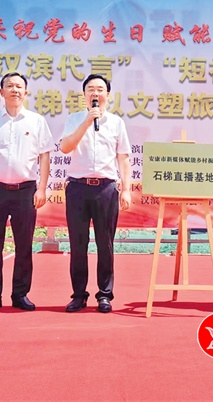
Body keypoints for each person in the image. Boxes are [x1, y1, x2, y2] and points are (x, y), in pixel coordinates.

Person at [0, 72, 53, 312]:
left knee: (24, 246)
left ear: (26, 92)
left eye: (19, 86)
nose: (15, 90)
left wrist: (42, 188)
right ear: (1, 92)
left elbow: (44, 156)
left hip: (25, 190)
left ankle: (20, 294)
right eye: (10, 86)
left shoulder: (37, 121)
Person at [60, 74, 131, 313]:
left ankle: (105, 295)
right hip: (78, 188)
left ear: (108, 95)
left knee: (105, 244)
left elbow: (123, 158)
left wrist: (126, 189)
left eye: (100, 89)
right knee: (78, 243)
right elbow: (65, 147)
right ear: (84, 95)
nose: (95, 93)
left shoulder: (117, 123)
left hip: (106, 188)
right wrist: (87, 122)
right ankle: (79, 295)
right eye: (91, 89)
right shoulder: (74, 119)